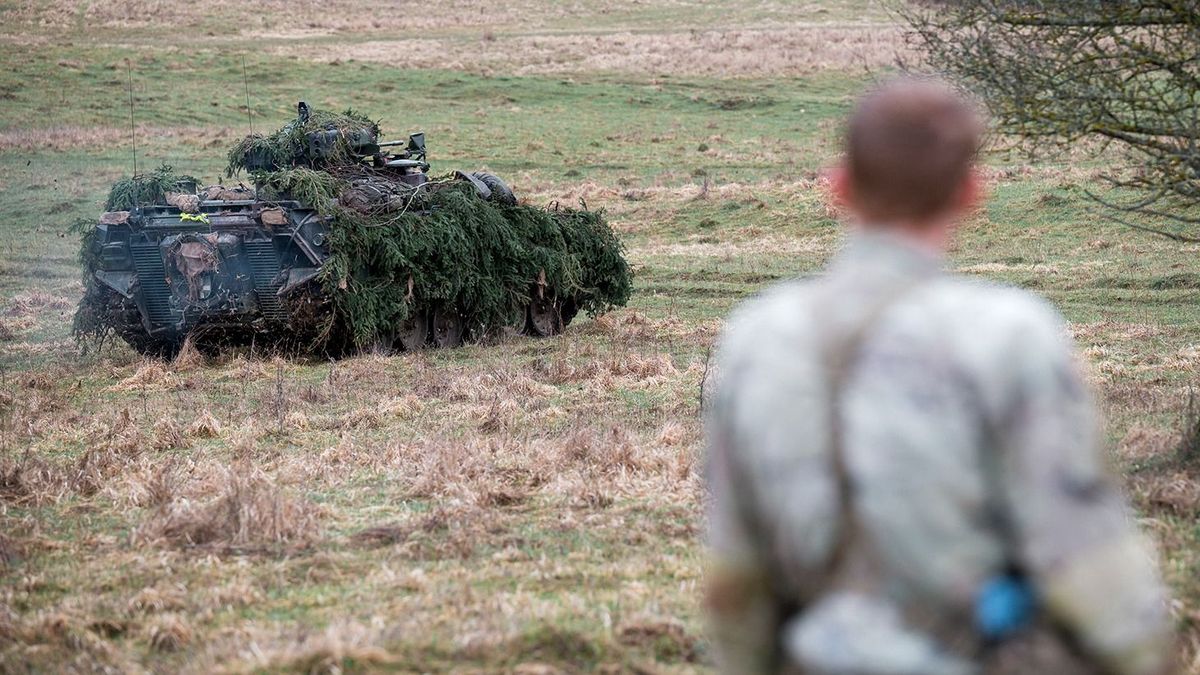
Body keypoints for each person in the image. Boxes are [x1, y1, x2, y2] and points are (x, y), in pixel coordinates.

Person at [704, 79, 1173, 675]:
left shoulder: (755, 336)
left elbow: (737, 577)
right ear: (971, 192)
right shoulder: (1010, 335)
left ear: (839, 187)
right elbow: (1088, 563)